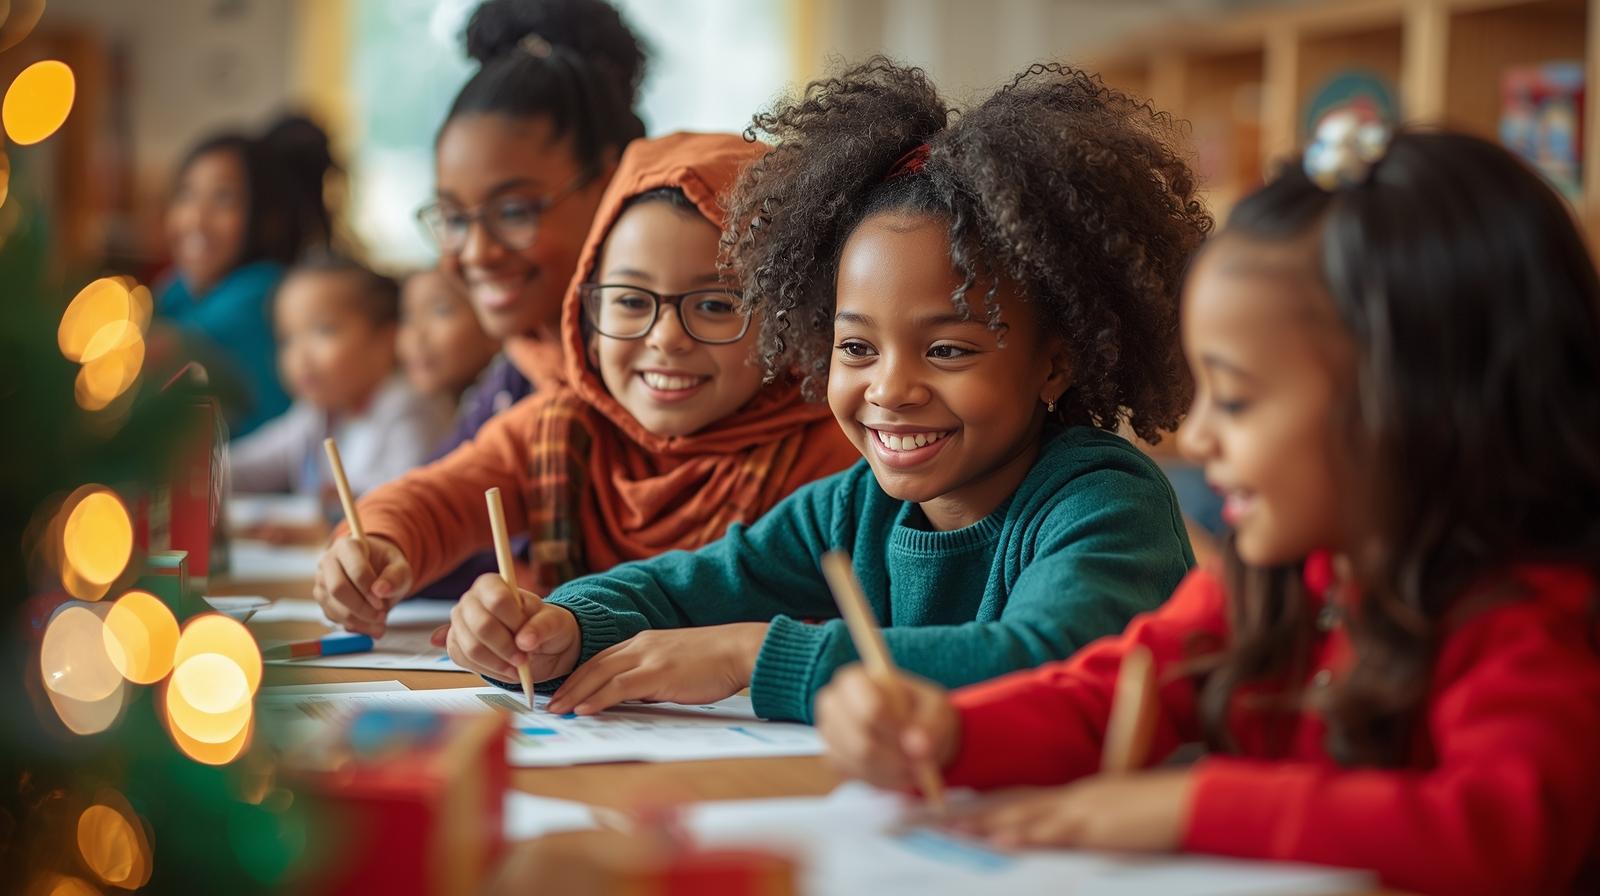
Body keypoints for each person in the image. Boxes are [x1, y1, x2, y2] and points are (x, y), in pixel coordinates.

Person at [814, 123, 1600, 896]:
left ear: (1414, 405)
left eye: (1237, 399)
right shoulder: (1268, 584)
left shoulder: (1532, 627)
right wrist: (950, 731)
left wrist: (1191, 806)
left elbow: (1495, 835)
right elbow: (1110, 696)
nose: (1196, 436)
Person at [428, 59, 1206, 723]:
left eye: (946, 348)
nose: (890, 389)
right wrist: (560, 625)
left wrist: (752, 653)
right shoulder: (856, 507)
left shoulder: (1105, 502)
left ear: (1055, 363)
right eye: (856, 347)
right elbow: (683, 586)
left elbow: (1043, 660)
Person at [311, 133, 859, 639]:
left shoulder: (833, 461)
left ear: (788, 322)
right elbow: (438, 500)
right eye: (630, 301)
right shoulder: (561, 427)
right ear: (586, 313)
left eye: (717, 304)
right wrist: (375, 546)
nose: (665, 338)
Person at [159, 115, 337, 436]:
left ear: (268, 218)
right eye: (186, 194)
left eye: (223, 198)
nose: (196, 219)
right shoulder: (179, 289)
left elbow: (154, 357)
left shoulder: (263, 293)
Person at [230, 253, 452, 498]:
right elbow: (245, 467)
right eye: (288, 339)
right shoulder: (315, 416)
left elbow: (409, 495)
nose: (300, 356)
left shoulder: (409, 409)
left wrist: (331, 516)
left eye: (323, 330)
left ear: (385, 341)